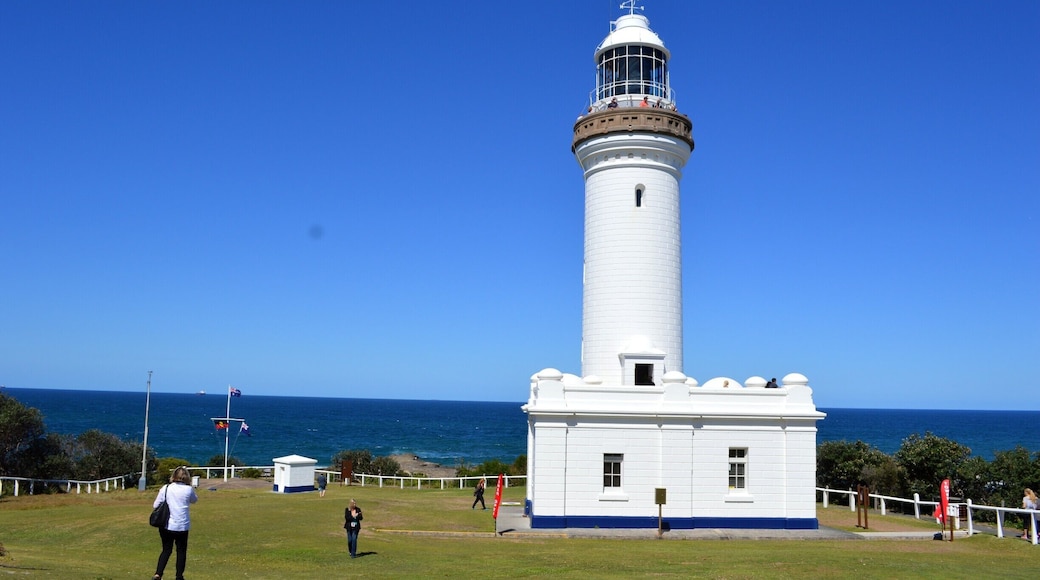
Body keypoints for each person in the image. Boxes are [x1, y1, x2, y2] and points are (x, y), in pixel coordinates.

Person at [153, 466, 198, 580]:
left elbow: (156, 505)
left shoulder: (166, 488)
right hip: (182, 525)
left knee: (166, 550)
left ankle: (158, 574)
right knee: (181, 552)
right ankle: (179, 576)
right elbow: (194, 500)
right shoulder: (188, 489)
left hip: (167, 524)